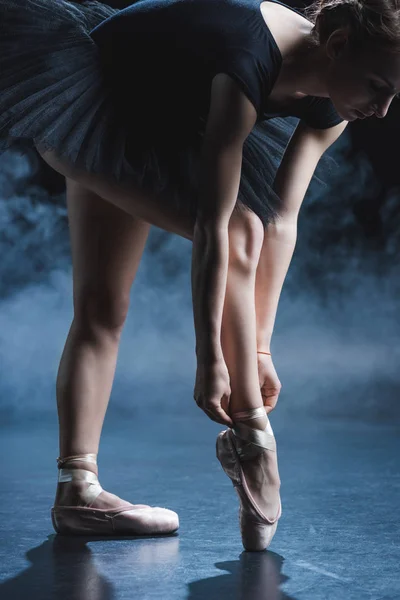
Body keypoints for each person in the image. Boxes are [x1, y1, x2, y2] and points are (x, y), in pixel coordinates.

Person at [1, 0, 399, 551]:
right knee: (219, 241)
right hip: (93, 92)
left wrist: (258, 351)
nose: (383, 109)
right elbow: (216, 227)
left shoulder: (334, 102)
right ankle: (252, 440)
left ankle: (78, 492)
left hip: (166, 115)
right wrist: (210, 359)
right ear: (336, 48)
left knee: (224, 242)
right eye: (379, 84)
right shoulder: (252, 54)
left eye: (394, 94)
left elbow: (284, 219)